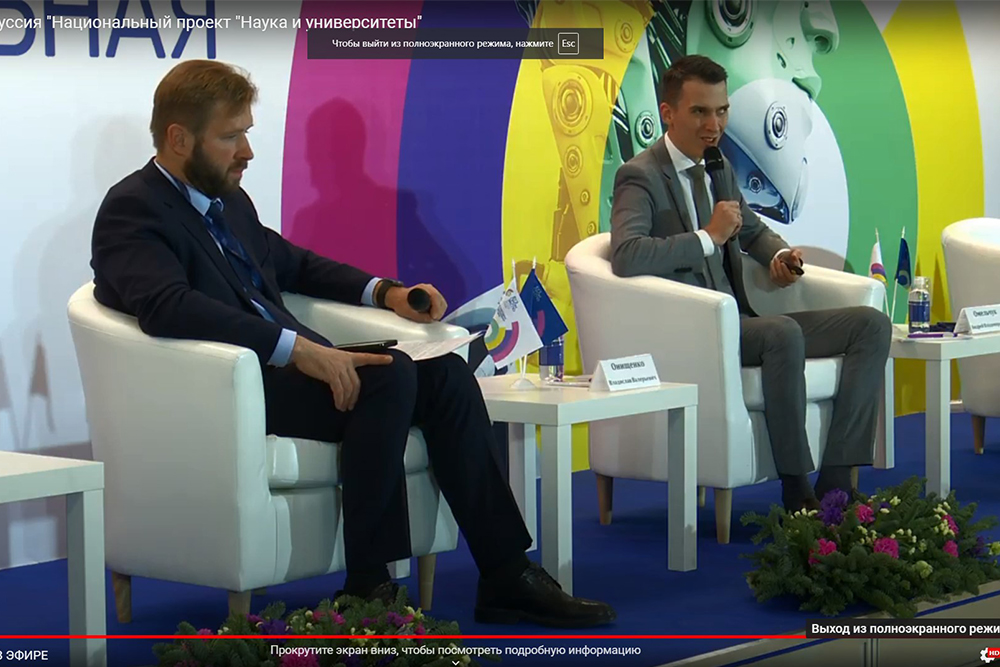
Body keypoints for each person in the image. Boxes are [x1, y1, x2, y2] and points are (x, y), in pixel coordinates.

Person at [90, 59, 614, 628]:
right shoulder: (133, 209)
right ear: (178, 138)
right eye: (231, 136)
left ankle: (506, 572)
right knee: (390, 377)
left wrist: (385, 291)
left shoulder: (228, 202)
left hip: (285, 371)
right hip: (229, 387)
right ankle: (369, 586)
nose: (247, 152)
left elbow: (293, 264)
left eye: (247, 133)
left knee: (444, 374)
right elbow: (168, 306)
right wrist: (297, 348)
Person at [609, 55, 891, 512]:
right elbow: (626, 255)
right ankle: (797, 491)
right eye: (700, 112)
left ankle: (836, 483)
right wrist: (708, 237)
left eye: (722, 111)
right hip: (692, 329)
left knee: (871, 325)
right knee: (782, 333)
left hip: (740, 324)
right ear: (668, 113)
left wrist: (780, 256)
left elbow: (751, 229)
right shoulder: (639, 176)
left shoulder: (718, 166)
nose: (714, 125)